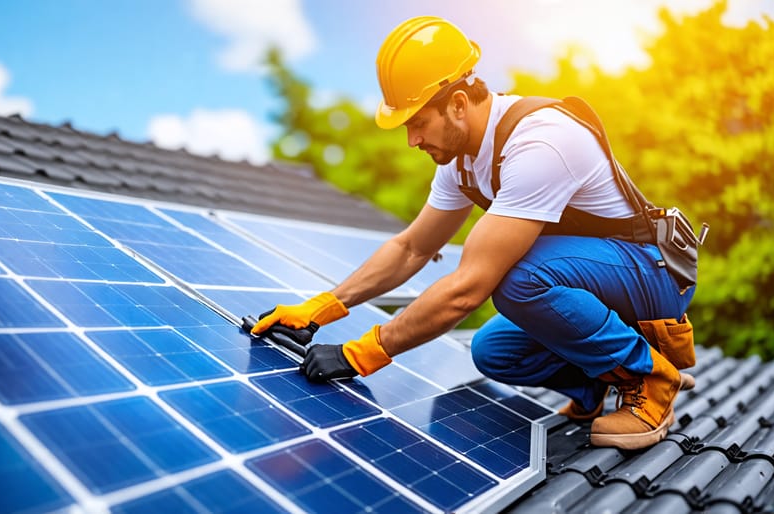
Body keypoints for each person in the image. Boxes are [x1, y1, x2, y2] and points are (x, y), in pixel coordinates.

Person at [250, 16, 696, 450]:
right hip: (600, 280)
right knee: (494, 351)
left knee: (516, 279)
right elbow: (411, 247)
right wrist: (321, 308)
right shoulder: (460, 162)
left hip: (649, 273)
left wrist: (361, 353)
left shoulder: (540, 142)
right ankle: (597, 382)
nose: (412, 140)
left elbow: (467, 291)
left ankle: (650, 380)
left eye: (417, 122)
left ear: (459, 104)